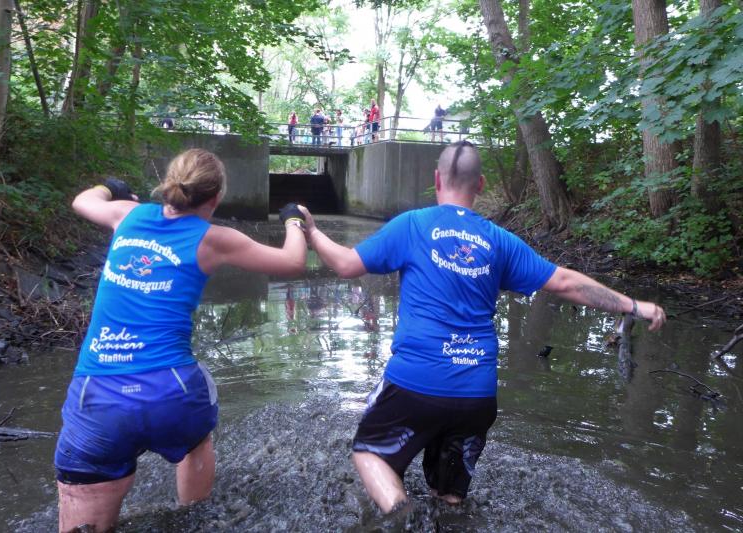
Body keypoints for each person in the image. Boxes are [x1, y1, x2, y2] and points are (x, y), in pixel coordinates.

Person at [298, 141, 666, 514]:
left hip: (416, 382)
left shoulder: (412, 225)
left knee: (370, 452)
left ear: (437, 179)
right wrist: (634, 305)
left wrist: (311, 232)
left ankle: (402, 516)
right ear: (481, 184)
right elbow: (565, 282)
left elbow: (346, 264)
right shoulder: (501, 241)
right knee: (450, 495)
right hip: (476, 394)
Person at [56, 149, 308, 532]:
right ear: (215, 198)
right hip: (170, 391)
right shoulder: (215, 239)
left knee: (83, 512)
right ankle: (192, 515)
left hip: (98, 395)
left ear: (168, 185)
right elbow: (292, 262)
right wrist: (293, 220)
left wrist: (109, 187)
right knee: (195, 438)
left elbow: (82, 201)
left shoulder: (127, 214)